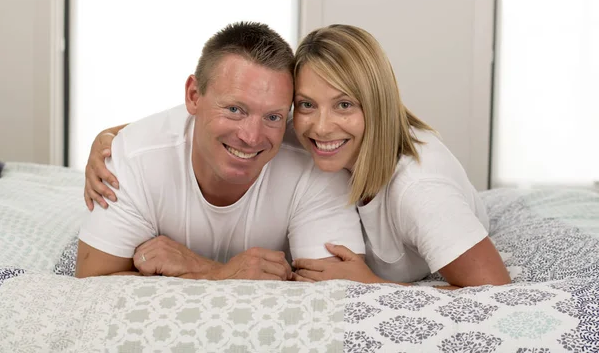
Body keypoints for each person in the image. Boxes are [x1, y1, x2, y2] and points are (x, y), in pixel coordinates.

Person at [84, 24, 510, 288]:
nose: (320, 127)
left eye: (345, 104)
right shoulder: (295, 136)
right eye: (306, 105)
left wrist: (377, 286)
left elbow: (493, 293)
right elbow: (206, 128)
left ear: (375, 104)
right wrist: (113, 140)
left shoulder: (419, 191)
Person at [75, 22, 366, 280]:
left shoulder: (315, 161)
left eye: (273, 117)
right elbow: (93, 284)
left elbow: (332, 296)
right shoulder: (133, 157)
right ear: (193, 96)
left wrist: (204, 270)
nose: (251, 138)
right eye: (235, 109)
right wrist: (220, 274)